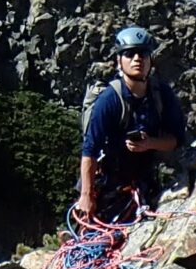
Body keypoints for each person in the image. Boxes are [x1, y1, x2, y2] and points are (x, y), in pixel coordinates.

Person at [76, 24, 184, 222]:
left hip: (146, 181)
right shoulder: (109, 100)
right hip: (108, 185)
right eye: (130, 54)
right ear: (119, 60)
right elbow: (90, 150)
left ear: (151, 59)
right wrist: (86, 196)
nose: (137, 59)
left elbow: (176, 139)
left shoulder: (161, 94)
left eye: (143, 54)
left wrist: (150, 143)